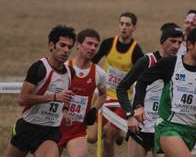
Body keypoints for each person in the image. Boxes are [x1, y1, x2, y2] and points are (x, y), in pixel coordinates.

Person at [133, 27, 196, 157]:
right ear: (189, 44)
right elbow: (142, 80)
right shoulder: (171, 64)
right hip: (167, 127)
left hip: (191, 131)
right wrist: (139, 106)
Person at [5, 25, 76, 157]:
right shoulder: (39, 68)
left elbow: (65, 97)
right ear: (51, 45)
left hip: (50, 131)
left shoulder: (70, 73)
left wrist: (65, 111)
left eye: (69, 47)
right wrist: (54, 97)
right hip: (28, 127)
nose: (66, 50)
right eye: (62, 45)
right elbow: (23, 99)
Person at [117, 23, 184, 157]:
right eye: (172, 41)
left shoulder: (179, 65)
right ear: (162, 41)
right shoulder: (147, 61)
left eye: (179, 42)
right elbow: (122, 88)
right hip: (140, 128)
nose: (176, 46)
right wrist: (130, 115)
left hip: (163, 129)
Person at [92, 11, 144, 157]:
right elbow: (92, 62)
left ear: (134, 28)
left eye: (128, 24)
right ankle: (119, 134)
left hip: (123, 100)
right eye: (121, 24)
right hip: (105, 97)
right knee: (91, 138)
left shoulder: (136, 52)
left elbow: (142, 79)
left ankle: (115, 132)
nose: (124, 27)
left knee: (108, 139)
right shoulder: (108, 44)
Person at [58, 29, 107, 157]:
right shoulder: (64, 67)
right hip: (55, 126)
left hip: (77, 130)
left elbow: (103, 95)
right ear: (78, 44)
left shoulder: (99, 73)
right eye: (89, 43)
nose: (93, 48)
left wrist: (94, 110)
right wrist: (62, 110)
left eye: (96, 45)